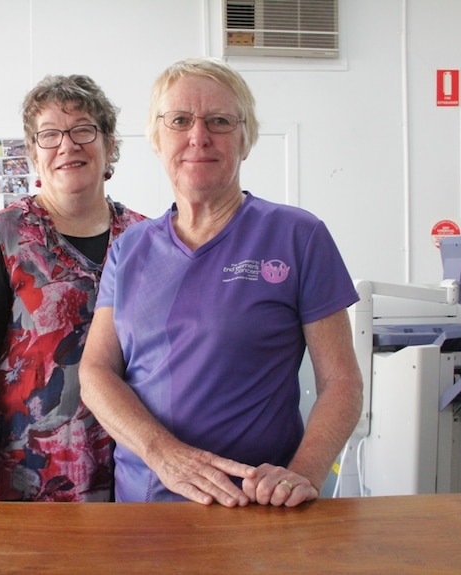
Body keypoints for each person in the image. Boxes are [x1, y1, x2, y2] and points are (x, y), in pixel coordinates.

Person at [78, 57, 362, 508]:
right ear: (156, 138)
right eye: (180, 121)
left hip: (257, 505)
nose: (198, 136)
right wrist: (164, 455)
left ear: (245, 139)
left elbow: (342, 382)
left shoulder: (298, 236)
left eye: (219, 121)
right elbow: (95, 373)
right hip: (143, 506)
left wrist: (301, 474)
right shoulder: (129, 248)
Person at [0, 74, 145, 502]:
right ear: (35, 155)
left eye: (83, 130)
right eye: (50, 134)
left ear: (109, 146)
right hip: (28, 484)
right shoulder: (2, 238)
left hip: (136, 478)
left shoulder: (149, 239)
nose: (67, 145)